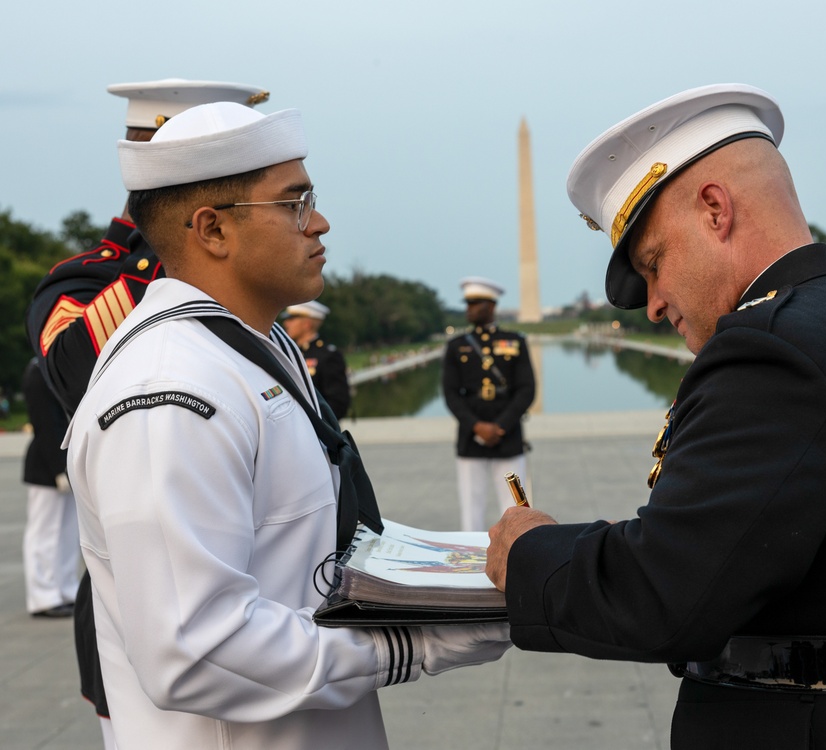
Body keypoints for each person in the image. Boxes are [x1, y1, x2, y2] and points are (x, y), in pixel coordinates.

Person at [485, 83, 826, 749]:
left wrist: (529, 553)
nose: (656, 304)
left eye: (654, 262)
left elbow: (668, 596)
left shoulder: (770, 350)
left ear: (715, 210)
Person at [64, 101, 510, 749]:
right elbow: (196, 649)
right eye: (294, 203)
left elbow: (300, 552)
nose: (320, 223)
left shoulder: (247, 349)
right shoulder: (171, 389)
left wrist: (476, 574)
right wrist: (414, 643)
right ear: (213, 230)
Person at [24, 78, 272, 748]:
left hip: (277, 619)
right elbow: (77, 369)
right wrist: (175, 247)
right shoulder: (89, 283)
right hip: (151, 639)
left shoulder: (251, 281)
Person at [442, 277, 535, 531]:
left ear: (491, 306)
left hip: (509, 440)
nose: (469, 309)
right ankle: (472, 566)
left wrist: (501, 426)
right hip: (471, 441)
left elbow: (527, 389)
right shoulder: (456, 346)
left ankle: (518, 557)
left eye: (475, 303)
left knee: (516, 507)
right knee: (471, 510)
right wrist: (476, 426)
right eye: (468, 304)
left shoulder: (515, 341)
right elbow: (450, 393)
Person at [21, 357, 79, 618]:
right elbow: (45, 424)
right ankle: (43, 595)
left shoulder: (54, 367)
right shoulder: (37, 371)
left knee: (68, 532)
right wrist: (58, 469)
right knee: (45, 533)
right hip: (46, 465)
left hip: (62, 463)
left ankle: (65, 589)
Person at [281, 300, 351, 419]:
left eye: (292, 319)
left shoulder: (328, 355)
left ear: (307, 324)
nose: (286, 324)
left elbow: (338, 403)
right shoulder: (288, 353)